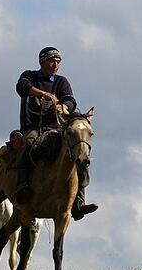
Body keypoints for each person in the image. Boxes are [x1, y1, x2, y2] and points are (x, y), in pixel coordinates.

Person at [14, 46, 98, 221]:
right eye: (52, 61)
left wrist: (63, 106)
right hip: (32, 127)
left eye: (58, 62)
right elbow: (22, 87)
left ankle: (78, 202)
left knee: (77, 151)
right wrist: (44, 94)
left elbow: (70, 99)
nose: (55, 65)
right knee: (28, 143)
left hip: (55, 128)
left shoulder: (61, 81)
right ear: (43, 61)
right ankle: (22, 185)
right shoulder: (30, 76)